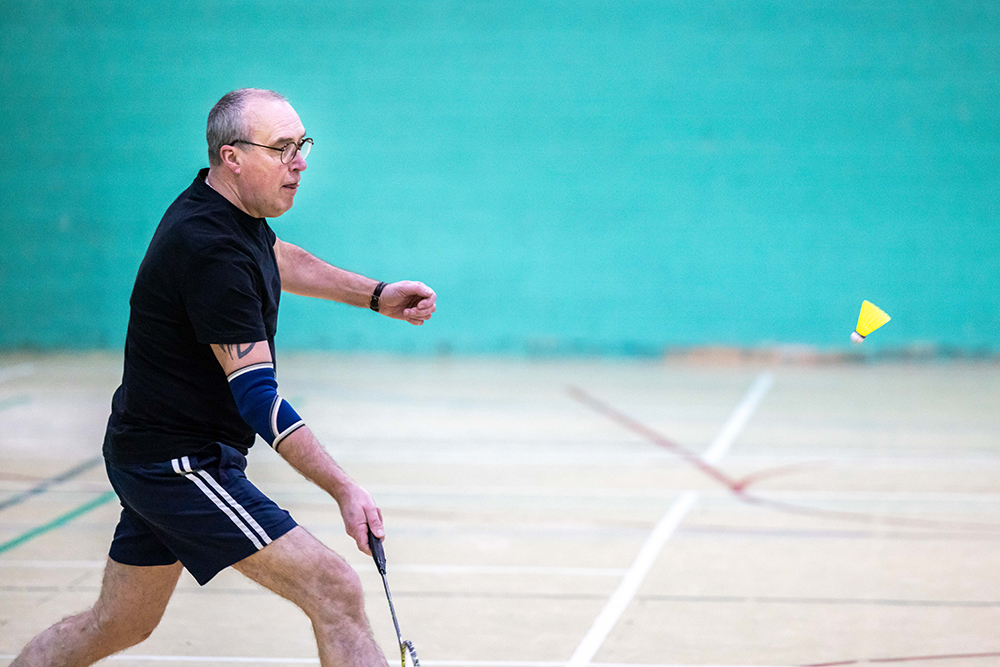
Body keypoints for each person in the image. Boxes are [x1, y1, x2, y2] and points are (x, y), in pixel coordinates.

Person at [11, 88, 437, 667]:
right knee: (333, 588)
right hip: (178, 464)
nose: (300, 162)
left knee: (118, 623)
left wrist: (376, 296)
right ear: (232, 156)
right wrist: (344, 488)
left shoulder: (230, 212)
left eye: (302, 144)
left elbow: (279, 258)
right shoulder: (210, 251)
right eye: (282, 148)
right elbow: (259, 399)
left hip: (155, 451)